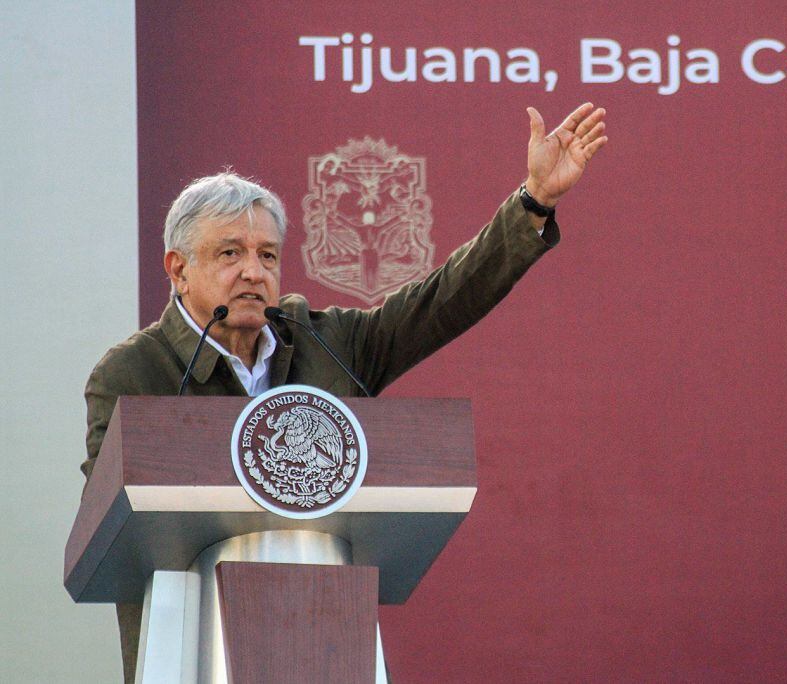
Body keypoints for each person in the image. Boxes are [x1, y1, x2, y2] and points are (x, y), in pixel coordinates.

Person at [80, 103, 607, 683]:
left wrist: (533, 201)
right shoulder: (133, 375)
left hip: (324, 648)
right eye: (230, 253)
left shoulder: (325, 343)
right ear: (178, 269)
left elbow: (442, 300)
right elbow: (113, 530)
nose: (254, 272)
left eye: (267, 255)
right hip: (192, 652)